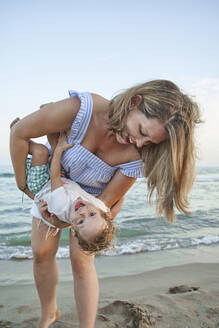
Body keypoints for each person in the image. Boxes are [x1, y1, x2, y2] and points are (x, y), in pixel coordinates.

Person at [10, 80, 201, 328]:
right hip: (52, 187)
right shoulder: (82, 110)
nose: (141, 144)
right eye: (142, 131)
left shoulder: (139, 154)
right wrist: (24, 186)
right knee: (41, 253)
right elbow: (19, 132)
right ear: (135, 102)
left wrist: (75, 219)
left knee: (82, 260)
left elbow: (106, 202)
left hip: (91, 205)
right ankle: (49, 312)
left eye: (150, 142)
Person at [10, 119, 114, 253]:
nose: (83, 212)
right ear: (101, 212)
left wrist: (59, 149)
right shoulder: (98, 208)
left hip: (42, 184)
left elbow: (55, 176)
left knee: (42, 152)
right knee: (58, 149)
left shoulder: (61, 206)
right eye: (92, 214)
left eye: (80, 222)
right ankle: (52, 118)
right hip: (63, 182)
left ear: (74, 230)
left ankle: (18, 136)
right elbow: (110, 206)